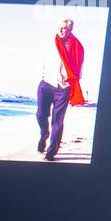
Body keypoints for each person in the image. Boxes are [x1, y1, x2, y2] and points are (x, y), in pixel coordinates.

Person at [36, 18, 84, 162]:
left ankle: (51, 151)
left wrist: (70, 78)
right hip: (46, 83)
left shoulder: (76, 46)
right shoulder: (50, 42)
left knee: (58, 121)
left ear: (71, 30)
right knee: (40, 115)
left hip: (62, 88)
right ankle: (44, 134)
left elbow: (78, 68)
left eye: (66, 28)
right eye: (61, 27)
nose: (63, 30)